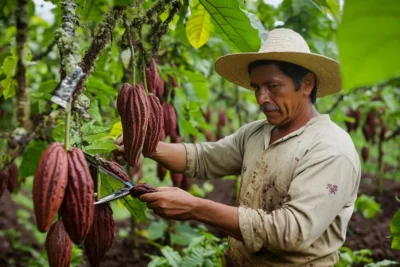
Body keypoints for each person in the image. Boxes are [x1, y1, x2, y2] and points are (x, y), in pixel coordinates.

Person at [115, 28, 361, 266]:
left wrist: (196, 208)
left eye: (273, 86)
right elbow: (203, 158)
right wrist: (146, 146)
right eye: (257, 87)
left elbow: (292, 231)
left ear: (306, 84)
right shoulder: (256, 132)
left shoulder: (330, 148)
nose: (261, 98)